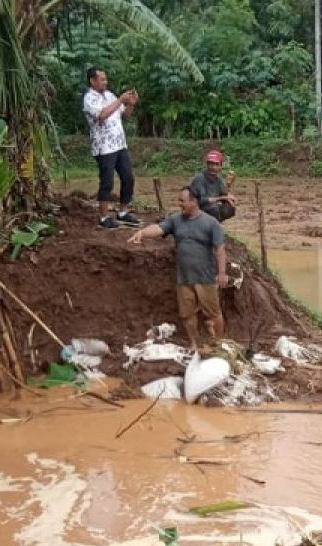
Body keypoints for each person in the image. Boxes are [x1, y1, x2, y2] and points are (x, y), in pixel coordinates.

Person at [129, 187, 228, 350]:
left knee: (213, 312)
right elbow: (159, 228)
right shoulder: (175, 220)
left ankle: (218, 343)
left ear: (194, 202)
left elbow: (220, 250)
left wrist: (222, 274)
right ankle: (194, 344)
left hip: (205, 277)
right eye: (179, 200)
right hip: (184, 277)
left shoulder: (211, 223)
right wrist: (142, 233)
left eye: (182, 201)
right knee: (187, 314)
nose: (179, 204)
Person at [83, 67, 141, 230]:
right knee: (107, 182)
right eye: (102, 79)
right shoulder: (89, 98)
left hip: (119, 145)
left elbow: (125, 115)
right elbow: (102, 115)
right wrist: (121, 100)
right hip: (104, 148)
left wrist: (130, 104)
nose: (105, 82)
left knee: (128, 178)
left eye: (105, 79)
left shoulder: (109, 95)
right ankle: (103, 217)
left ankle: (122, 213)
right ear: (92, 81)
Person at [190, 150, 238, 222]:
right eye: (211, 164)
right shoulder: (200, 179)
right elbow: (202, 200)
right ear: (207, 165)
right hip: (197, 208)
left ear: (220, 166)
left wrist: (230, 198)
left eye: (216, 164)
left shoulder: (219, 180)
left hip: (211, 207)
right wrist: (221, 198)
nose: (213, 167)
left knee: (229, 208)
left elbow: (224, 195)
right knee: (213, 209)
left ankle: (215, 225)